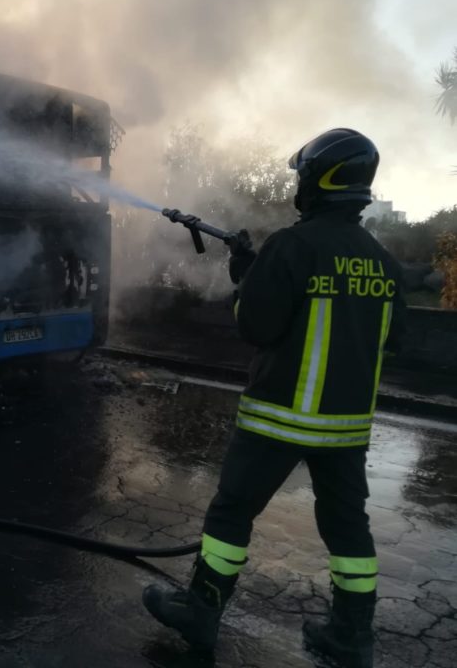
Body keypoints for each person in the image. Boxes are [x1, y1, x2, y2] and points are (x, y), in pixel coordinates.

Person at [143, 128, 406, 668]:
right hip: (347, 429)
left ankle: (202, 609)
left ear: (318, 180)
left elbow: (255, 325)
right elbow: (389, 338)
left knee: (233, 511)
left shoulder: (292, 246)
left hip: (279, 418)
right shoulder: (383, 261)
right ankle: (352, 637)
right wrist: (253, 271)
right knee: (347, 527)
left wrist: (246, 281)